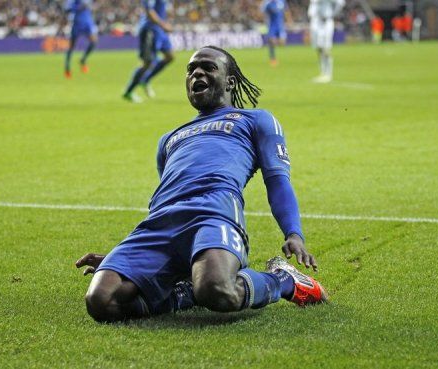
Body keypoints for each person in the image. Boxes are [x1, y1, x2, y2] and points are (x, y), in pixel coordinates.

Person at [76, 46, 328, 322]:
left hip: (214, 213)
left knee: (217, 289)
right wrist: (124, 261)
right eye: (191, 69)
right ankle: (185, 293)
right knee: (101, 301)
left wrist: (293, 233)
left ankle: (283, 280)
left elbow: (277, 179)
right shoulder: (169, 138)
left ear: (230, 81)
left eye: (208, 67)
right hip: (160, 223)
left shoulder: (255, 120)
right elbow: (168, 194)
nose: (197, 72)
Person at [123, 0, 174, 103]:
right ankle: (128, 92)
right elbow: (149, 11)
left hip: (159, 30)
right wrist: (164, 25)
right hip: (150, 29)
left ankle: (145, 80)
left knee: (169, 57)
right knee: (147, 63)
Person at [308, 0, 345, 83]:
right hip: (315, 21)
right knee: (318, 48)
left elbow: (340, 3)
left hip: (325, 22)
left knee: (325, 48)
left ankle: (328, 74)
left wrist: (332, 14)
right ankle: (322, 72)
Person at [63, 0, 98, 79]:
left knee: (94, 42)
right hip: (77, 23)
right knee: (71, 46)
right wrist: (77, 7)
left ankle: (83, 59)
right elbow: (66, 9)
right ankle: (67, 67)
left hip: (87, 22)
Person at [261, 0, 292, 67]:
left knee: (282, 43)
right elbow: (263, 13)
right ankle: (273, 59)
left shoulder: (282, 1)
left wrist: (289, 20)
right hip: (272, 26)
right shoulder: (267, 3)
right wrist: (265, 22)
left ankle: (272, 44)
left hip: (280, 26)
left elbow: (286, 11)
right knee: (272, 42)